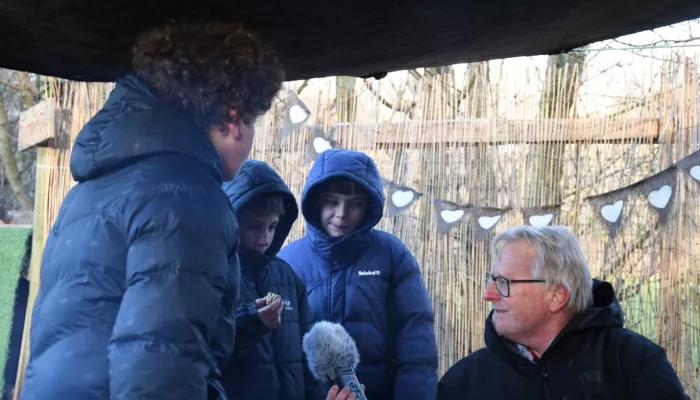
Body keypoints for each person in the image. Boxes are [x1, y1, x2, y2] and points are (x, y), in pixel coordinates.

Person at [20, 21, 284, 400]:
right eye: (253, 120)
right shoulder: (186, 198)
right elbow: (161, 367)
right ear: (233, 117)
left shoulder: (91, 190)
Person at [436, 225, 690, 400]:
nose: (488, 294)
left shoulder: (633, 363)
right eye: (492, 280)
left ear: (557, 296)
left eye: (504, 283)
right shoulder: (465, 382)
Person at [278, 148, 439, 400]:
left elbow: (417, 348)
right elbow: (278, 355)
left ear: (369, 207)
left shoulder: (392, 255)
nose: (342, 213)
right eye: (332, 202)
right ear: (315, 201)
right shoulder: (287, 263)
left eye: (355, 204)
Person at [220, 160, 325, 400]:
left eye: (272, 226)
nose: (264, 238)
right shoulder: (212, 274)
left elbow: (308, 358)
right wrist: (251, 322)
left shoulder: (287, 276)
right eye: (254, 226)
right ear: (230, 221)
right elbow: (204, 352)